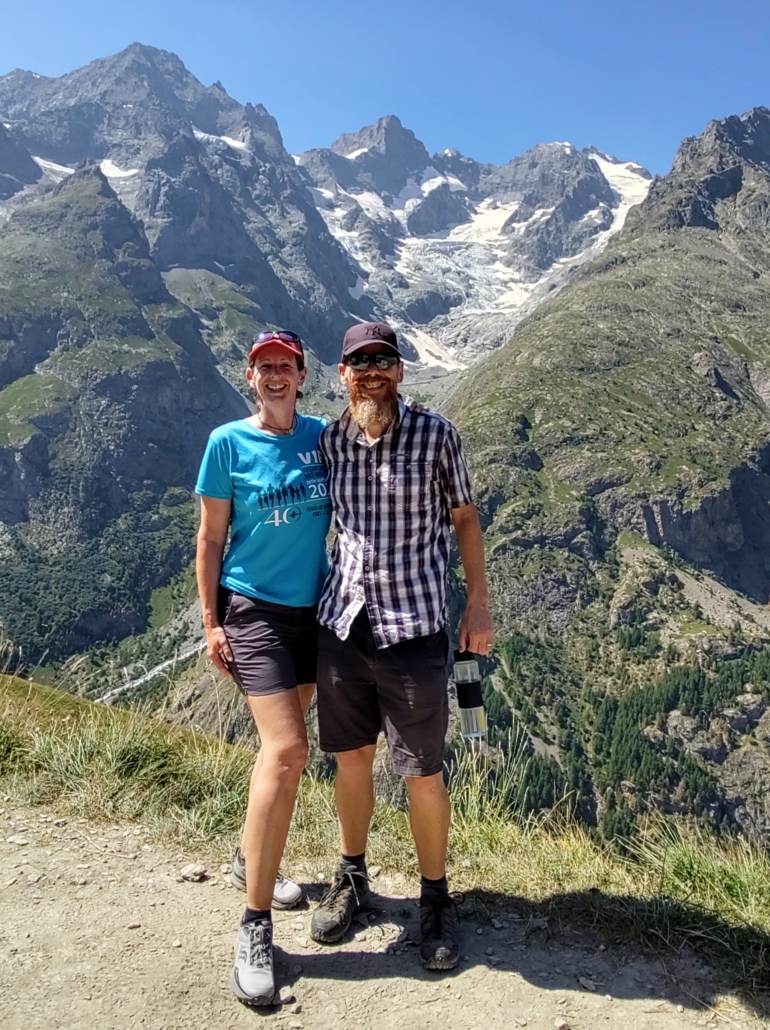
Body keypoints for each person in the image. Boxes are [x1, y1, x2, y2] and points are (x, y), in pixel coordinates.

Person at [309, 321, 494, 971]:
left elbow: (464, 517)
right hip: (342, 626)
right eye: (358, 362)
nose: (371, 372)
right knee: (351, 761)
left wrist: (477, 601)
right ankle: (352, 876)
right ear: (342, 374)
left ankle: (436, 900)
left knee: (422, 772)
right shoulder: (331, 441)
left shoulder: (438, 436)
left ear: (400, 371)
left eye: (382, 361)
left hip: (413, 627)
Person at [195, 330, 332, 1006]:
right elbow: (211, 538)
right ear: (250, 377)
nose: (274, 376)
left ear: (302, 375)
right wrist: (212, 620)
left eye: (285, 366)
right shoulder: (227, 443)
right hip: (255, 612)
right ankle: (254, 925)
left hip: (315, 614)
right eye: (263, 367)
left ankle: (252, 856)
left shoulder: (321, 437)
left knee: (279, 754)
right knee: (288, 749)